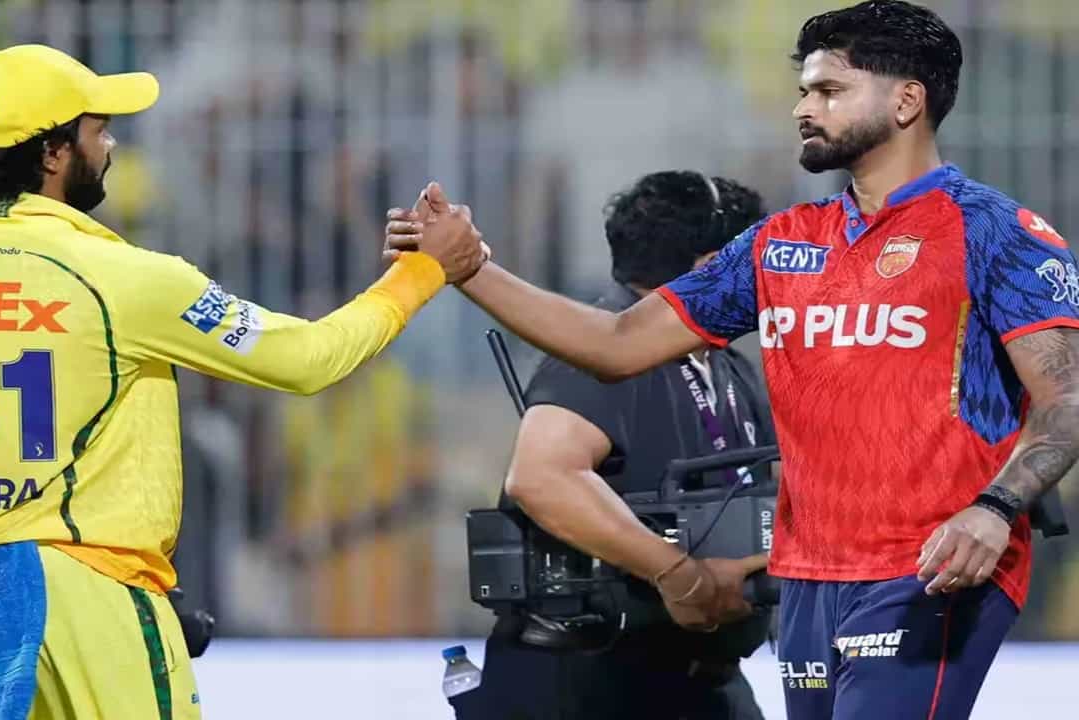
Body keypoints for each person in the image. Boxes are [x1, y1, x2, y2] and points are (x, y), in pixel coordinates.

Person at [388, 2, 1079, 718]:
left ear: (907, 101)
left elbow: (1067, 398)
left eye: (829, 91)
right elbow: (619, 344)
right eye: (804, 91)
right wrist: (470, 270)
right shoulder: (781, 242)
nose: (804, 109)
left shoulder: (997, 232)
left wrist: (995, 509)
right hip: (808, 579)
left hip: (932, 566)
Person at [0, 44, 482, 720]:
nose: (110, 146)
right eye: (99, 130)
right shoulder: (125, 277)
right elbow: (309, 359)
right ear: (52, 152)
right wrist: (422, 271)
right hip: (91, 593)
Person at [451, 171, 775, 720]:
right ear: (711, 266)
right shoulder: (601, 357)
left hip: (700, 681)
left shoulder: (727, 365)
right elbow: (541, 477)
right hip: (586, 683)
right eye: (754, 262)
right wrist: (680, 574)